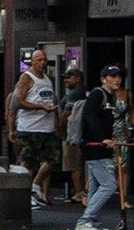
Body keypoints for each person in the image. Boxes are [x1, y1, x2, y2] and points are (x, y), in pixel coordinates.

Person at [75, 65, 130, 230]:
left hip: (103, 146)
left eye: (119, 76)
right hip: (95, 146)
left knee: (96, 186)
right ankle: (85, 220)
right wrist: (102, 138)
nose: (117, 80)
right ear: (103, 78)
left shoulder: (110, 96)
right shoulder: (97, 94)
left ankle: (92, 222)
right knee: (109, 185)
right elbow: (89, 116)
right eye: (112, 76)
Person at [13, 48, 60, 209]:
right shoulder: (26, 78)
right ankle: (25, 194)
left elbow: (52, 100)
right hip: (29, 127)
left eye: (44, 60)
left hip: (46, 128)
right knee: (27, 162)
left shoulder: (47, 78)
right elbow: (19, 101)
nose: (42, 63)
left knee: (53, 159)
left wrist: (56, 121)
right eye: (39, 60)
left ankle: (35, 184)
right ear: (32, 61)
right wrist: (40, 107)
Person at [58, 68, 87, 205]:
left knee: (73, 164)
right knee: (79, 163)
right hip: (80, 133)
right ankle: (81, 191)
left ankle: (78, 192)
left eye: (69, 78)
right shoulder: (84, 92)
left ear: (78, 79)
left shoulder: (73, 95)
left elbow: (67, 113)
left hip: (71, 133)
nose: (66, 80)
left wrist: (59, 128)